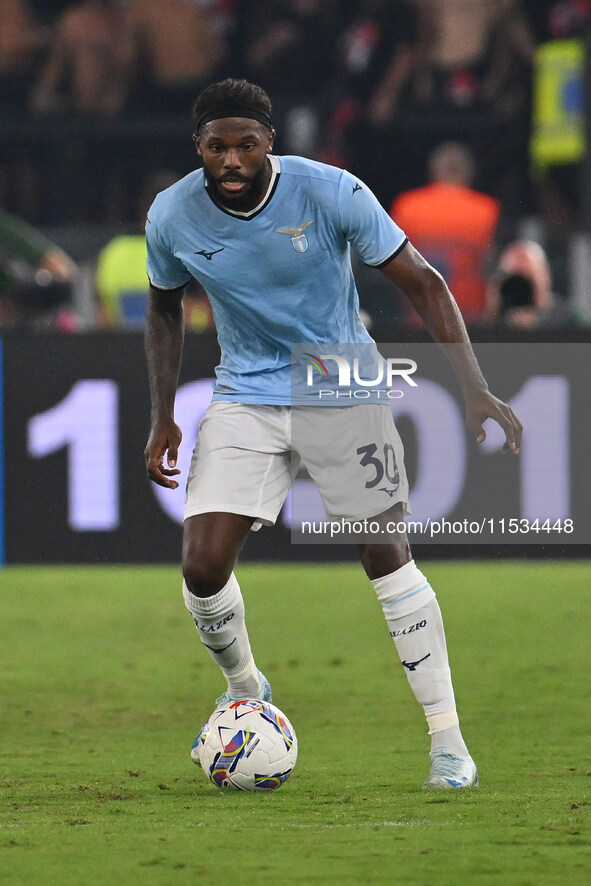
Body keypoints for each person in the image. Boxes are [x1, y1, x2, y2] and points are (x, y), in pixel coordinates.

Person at [143, 79, 522, 790]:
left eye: (245, 145)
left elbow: (424, 283)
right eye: (216, 147)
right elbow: (164, 311)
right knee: (200, 568)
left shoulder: (332, 192)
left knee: (384, 551)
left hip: (338, 378)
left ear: (269, 144)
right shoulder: (171, 215)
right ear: (197, 148)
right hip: (245, 390)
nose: (231, 159)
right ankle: (246, 687)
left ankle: (448, 744)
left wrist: (474, 385)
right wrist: (162, 413)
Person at [391, 141, 501, 325]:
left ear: (434, 171)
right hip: (469, 321)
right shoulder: (487, 209)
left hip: (418, 318)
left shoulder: (406, 206)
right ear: (467, 173)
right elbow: (491, 264)